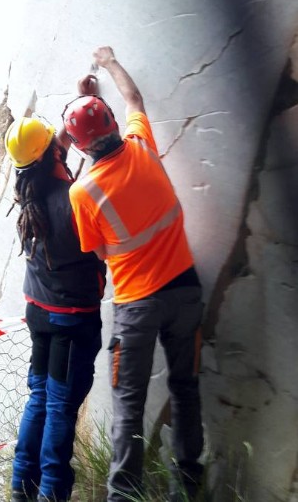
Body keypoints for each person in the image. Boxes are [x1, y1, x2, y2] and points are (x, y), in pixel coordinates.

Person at [62, 46, 204, 502]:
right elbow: (135, 99)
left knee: (128, 406)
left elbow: (100, 252)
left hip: (136, 308)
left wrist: (77, 103)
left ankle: (123, 497)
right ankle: (189, 483)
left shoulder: (83, 193)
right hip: (185, 288)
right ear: (113, 125)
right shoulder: (143, 147)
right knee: (186, 387)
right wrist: (108, 62)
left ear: (82, 146)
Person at [4, 116, 106, 502]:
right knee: (61, 405)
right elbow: (105, 251)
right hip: (70, 321)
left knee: (40, 396)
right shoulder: (74, 201)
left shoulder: (27, 191)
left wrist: (65, 125)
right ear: (51, 155)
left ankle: (21, 485)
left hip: (39, 314)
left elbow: (47, 153)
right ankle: (51, 492)